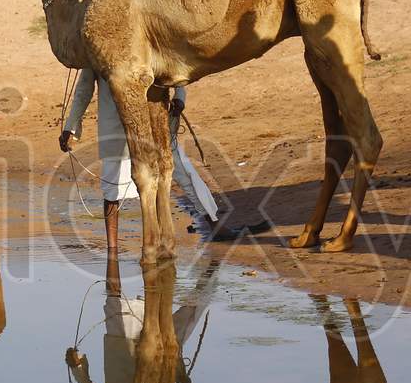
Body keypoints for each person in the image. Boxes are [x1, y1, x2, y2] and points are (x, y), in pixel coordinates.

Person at [60, 71, 261, 253]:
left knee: (184, 173)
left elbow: (174, 65)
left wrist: (179, 99)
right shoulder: (95, 46)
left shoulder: (147, 33)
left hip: (156, 121)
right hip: (118, 127)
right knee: (112, 188)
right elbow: (84, 89)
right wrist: (70, 127)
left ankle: (215, 226)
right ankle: (112, 249)